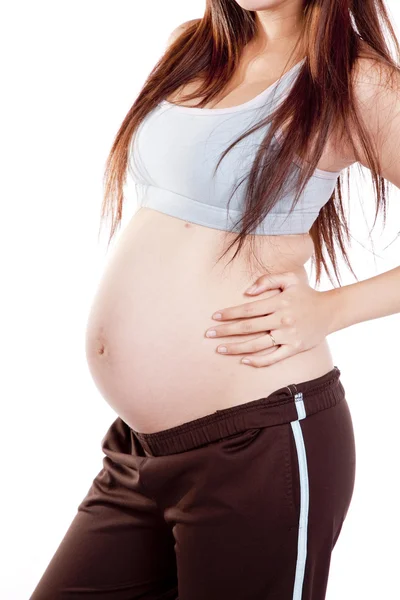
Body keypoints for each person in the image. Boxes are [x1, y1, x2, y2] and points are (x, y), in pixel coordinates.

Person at [30, 1, 400, 599]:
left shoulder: (353, 81)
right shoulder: (195, 49)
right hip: (140, 452)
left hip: (261, 444)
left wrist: (331, 309)